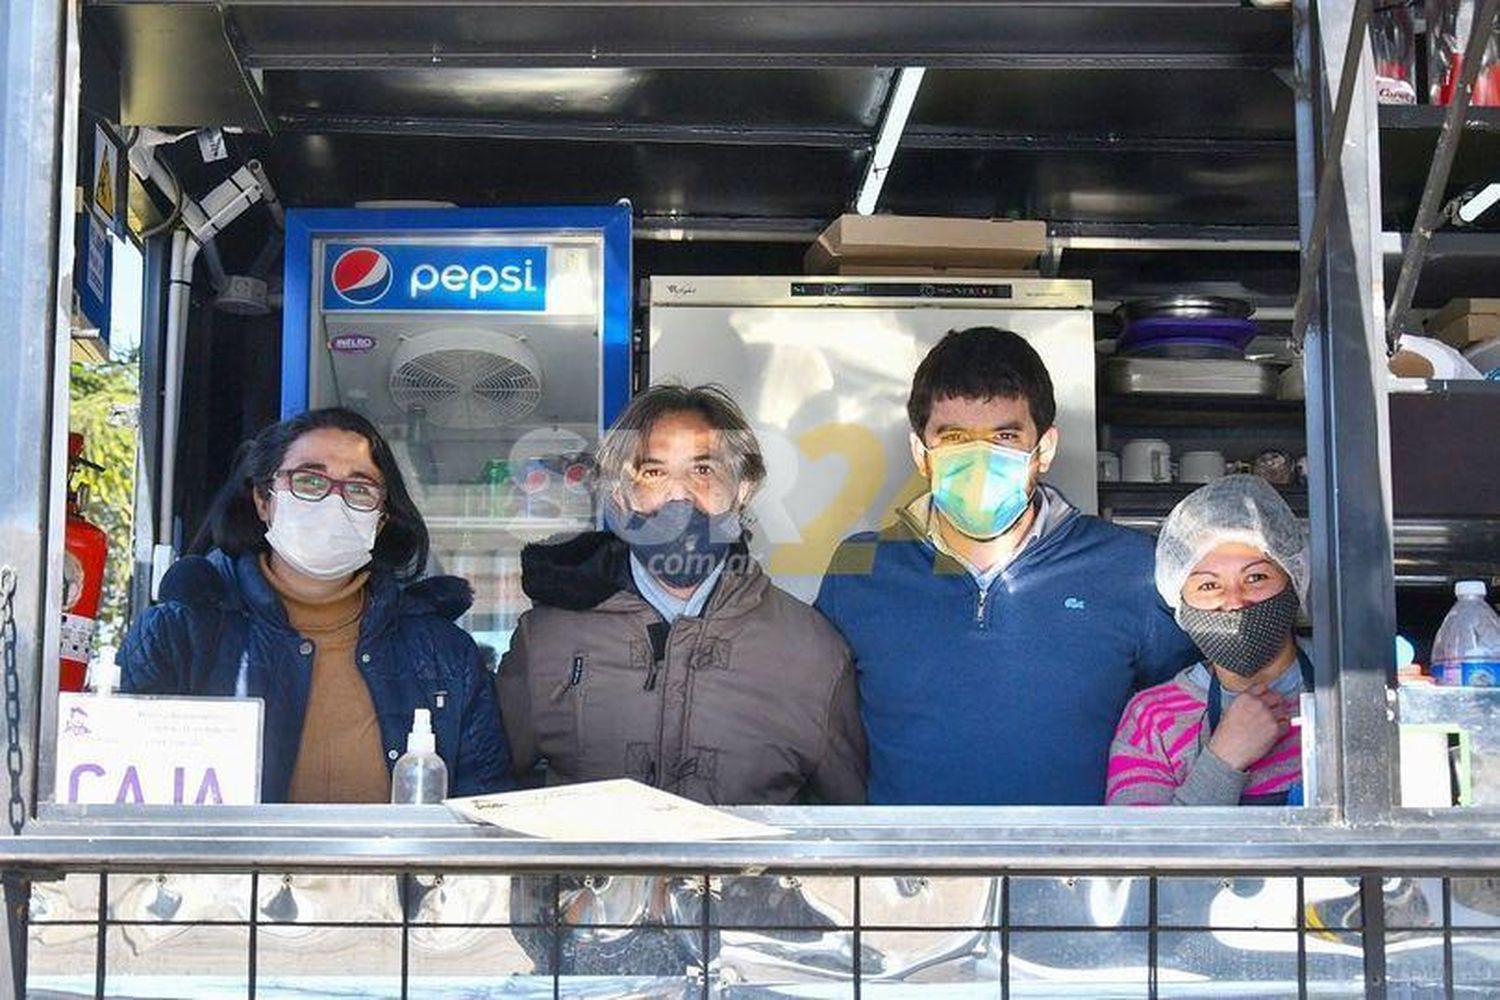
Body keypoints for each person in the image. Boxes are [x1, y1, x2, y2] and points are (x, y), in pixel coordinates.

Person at [815, 327, 1199, 805]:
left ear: (1045, 449)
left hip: (1080, 875)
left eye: (1005, 435)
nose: (980, 458)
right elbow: (820, 736)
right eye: (954, 437)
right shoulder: (859, 570)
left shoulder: (1133, 570)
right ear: (921, 453)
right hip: (906, 876)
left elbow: (1185, 726)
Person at [119, 408, 513, 802]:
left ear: (381, 518)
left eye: (359, 489)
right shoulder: (178, 635)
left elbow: (485, 813)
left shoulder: (446, 654)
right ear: (262, 499)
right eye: (309, 480)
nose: (333, 503)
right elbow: (122, 798)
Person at [497, 384, 866, 805]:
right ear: (621, 494)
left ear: (742, 489)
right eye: (653, 472)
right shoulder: (546, 638)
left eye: (702, 471)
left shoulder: (813, 652)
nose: (679, 495)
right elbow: (488, 789)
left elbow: (847, 828)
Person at [1107, 474, 1312, 806]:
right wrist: (1224, 759)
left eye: (1256, 577)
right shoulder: (1153, 719)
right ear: (1180, 604)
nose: (1234, 601)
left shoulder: (1348, 694)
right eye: (1208, 586)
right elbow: (1141, 854)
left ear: (1294, 580)